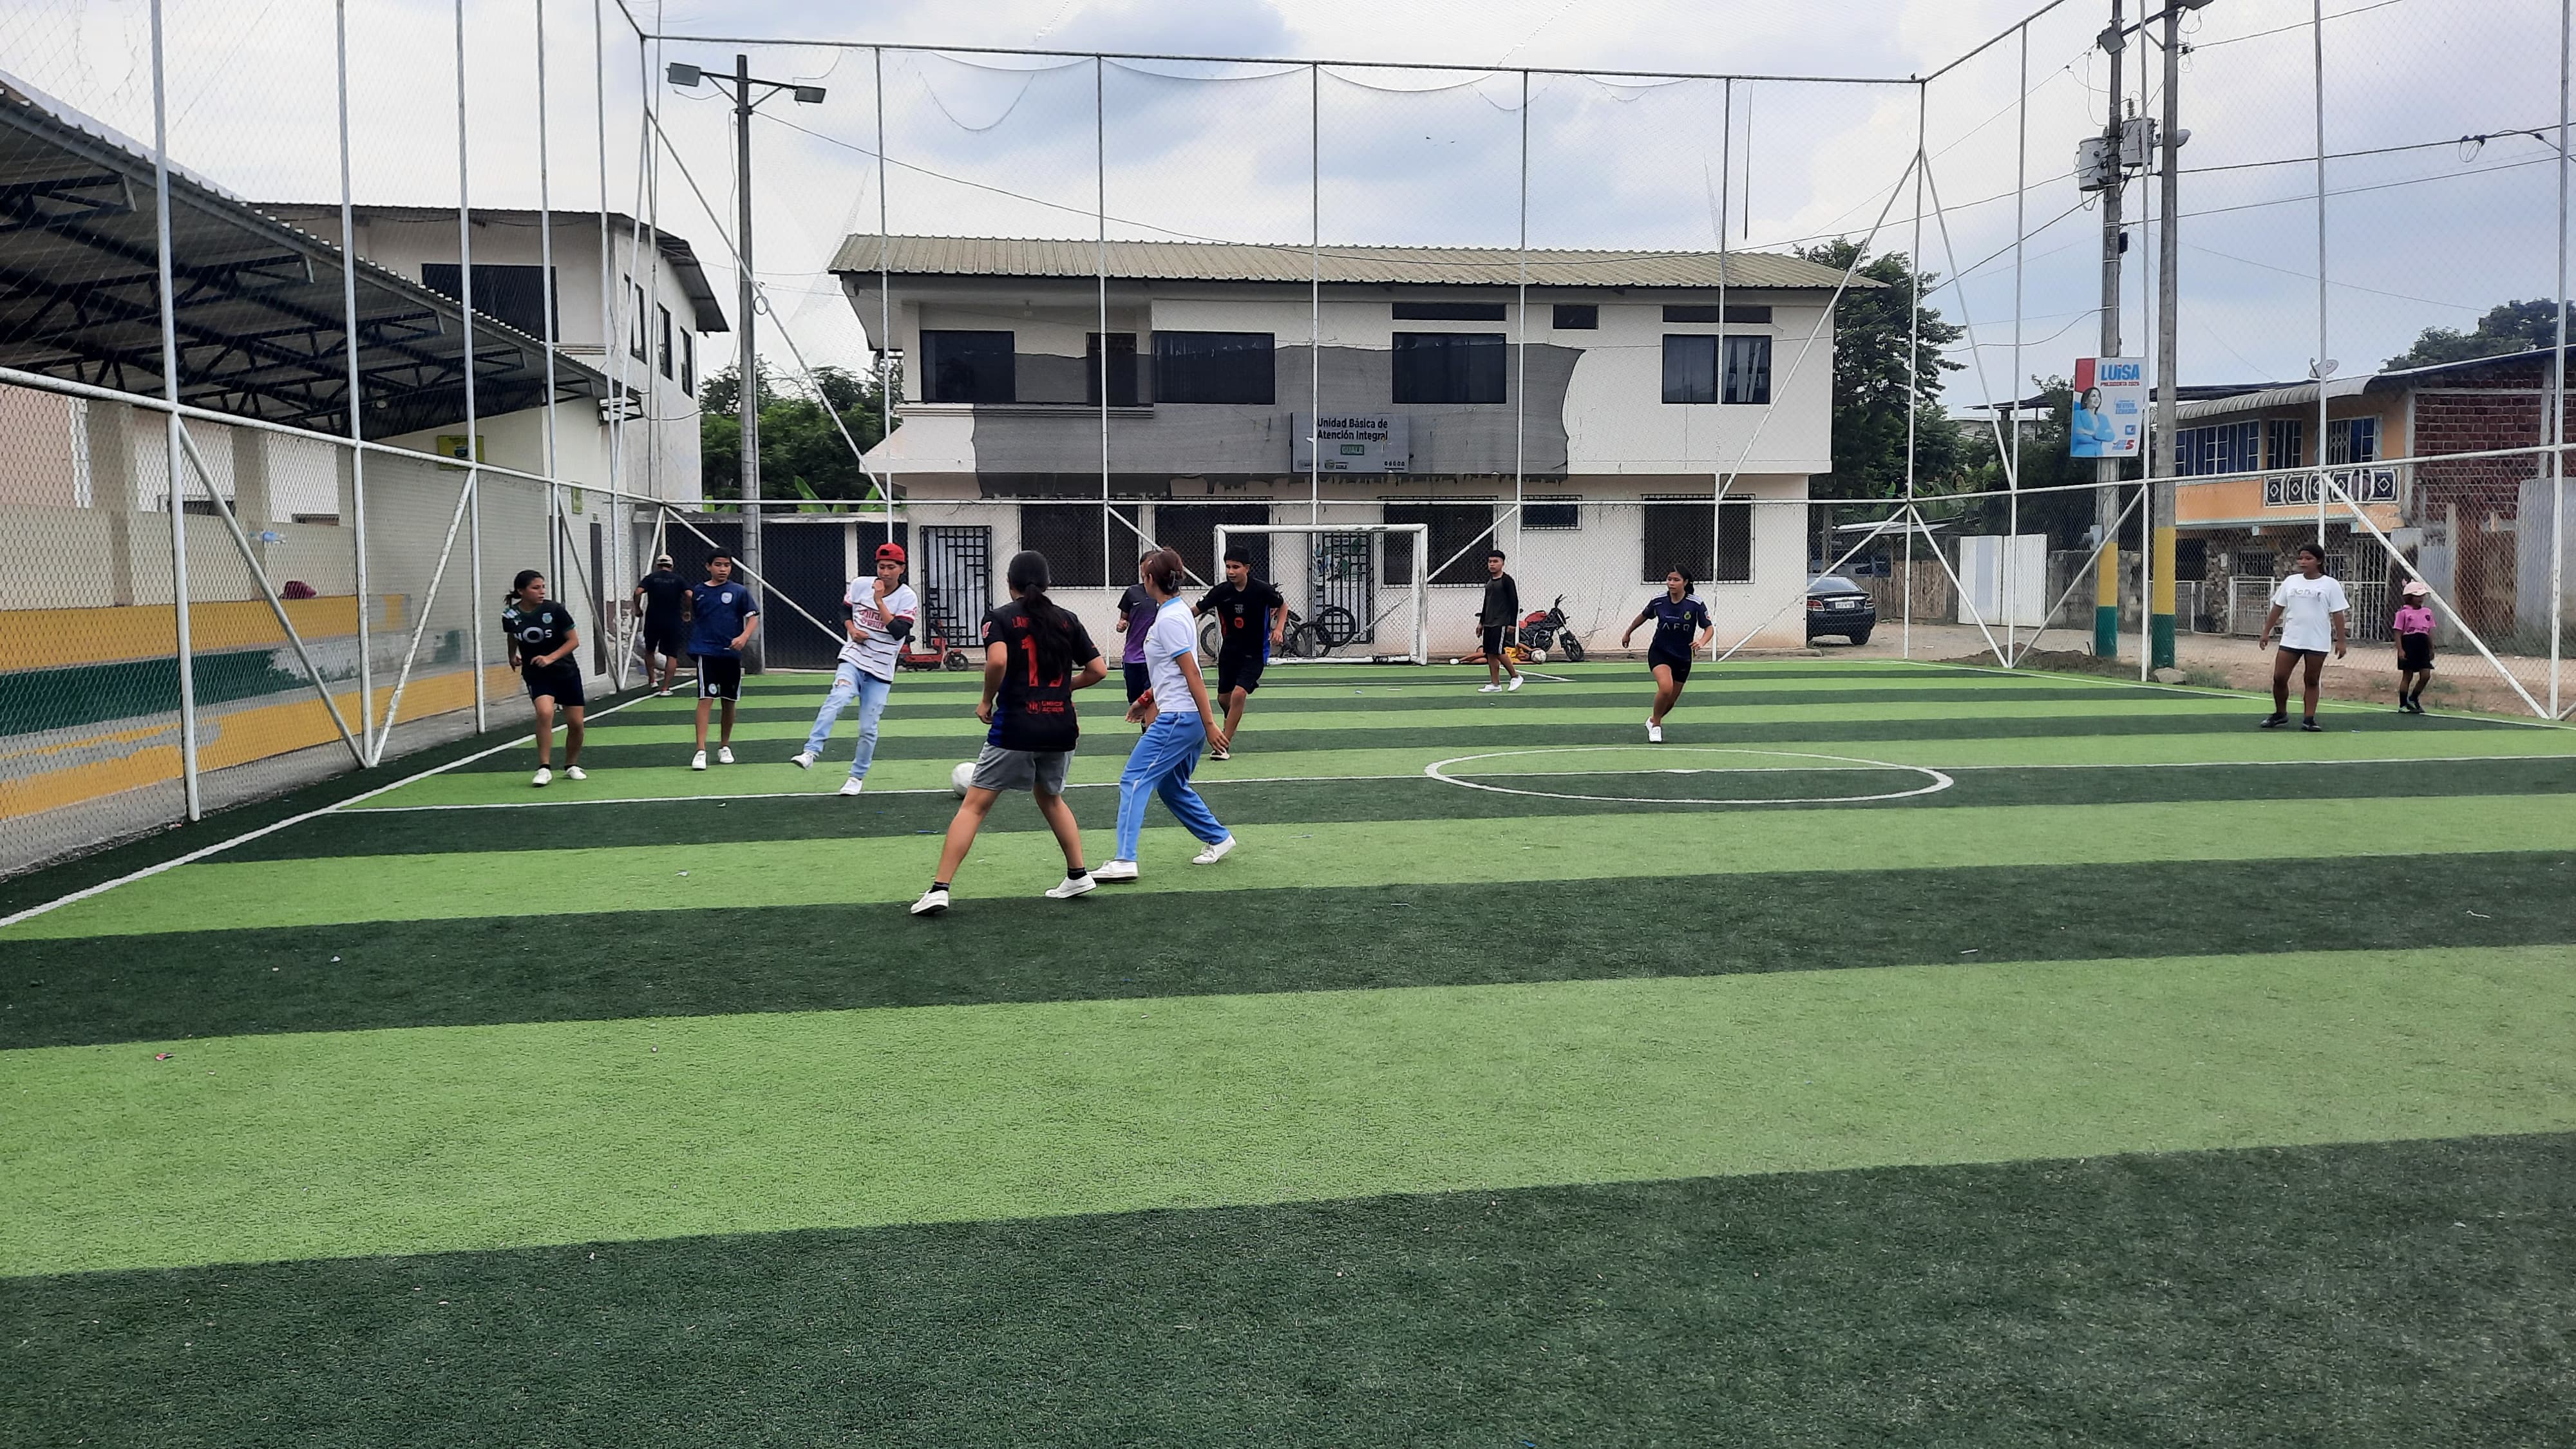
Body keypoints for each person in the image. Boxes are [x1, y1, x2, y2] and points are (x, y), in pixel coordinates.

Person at [913, 551, 1108, 916]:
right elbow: (1099, 670)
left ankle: (939, 888)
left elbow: (999, 660)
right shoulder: (1068, 619)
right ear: (1047, 583)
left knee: (974, 806)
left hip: (1018, 724)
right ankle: (1078, 874)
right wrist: (1061, 690)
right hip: (1061, 725)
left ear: (1009, 582)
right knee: (1051, 798)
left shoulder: (1000, 617)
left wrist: (986, 699)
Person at [1097, 549, 1235, 883]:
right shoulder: (1175, 611)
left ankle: (1124, 860)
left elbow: (1192, 673)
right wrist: (1146, 699)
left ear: (1149, 579)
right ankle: (1218, 838)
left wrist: (1210, 724)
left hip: (1179, 718)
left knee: (1134, 780)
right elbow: (1172, 672)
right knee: (1171, 787)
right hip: (1185, 717)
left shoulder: (1170, 618)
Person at [793, 541, 918, 795]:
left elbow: (899, 632)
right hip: (854, 657)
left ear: (902, 569)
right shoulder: (861, 584)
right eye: (881, 567)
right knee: (838, 697)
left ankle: (856, 777)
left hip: (881, 669)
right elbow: (844, 610)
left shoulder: (907, 597)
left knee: (868, 728)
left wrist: (879, 601)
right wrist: (851, 629)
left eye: (891, 567)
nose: (885, 572)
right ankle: (811, 752)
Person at [1193, 544, 1285, 761]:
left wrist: (1279, 629)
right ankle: (1232, 716)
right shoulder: (1221, 592)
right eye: (1228, 567)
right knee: (1223, 698)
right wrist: (1171, 619)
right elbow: (1195, 611)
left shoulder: (1261, 590)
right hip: (1230, 650)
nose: (1231, 571)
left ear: (1247, 568)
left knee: (1239, 694)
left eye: (1236, 567)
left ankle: (1223, 745)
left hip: (1255, 651)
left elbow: (1283, 605)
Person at [501, 569, 585, 787]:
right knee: (545, 713)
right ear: (521, 591)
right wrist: (512, 655)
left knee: (576, 723)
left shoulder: (555, 610)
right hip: (537, 674)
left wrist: (550, 658)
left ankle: (571, 765)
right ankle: (544, 768)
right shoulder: (510, 615)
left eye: (543, 587)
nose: (542, 591)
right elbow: (513, 636)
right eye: (535, 588)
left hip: (566, 672)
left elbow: (573, 641)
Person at [2258, 542, 2348, 732]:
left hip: (2317, 640)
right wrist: (2266, 631)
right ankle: (2280, 713)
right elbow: (2278, 607)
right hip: (2292, 638)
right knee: (2279, 677)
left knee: (2312, 679)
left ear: (2319, 561)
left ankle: (2309, 719)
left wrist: (2341, 640)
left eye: (2308, 558)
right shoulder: (2291, 581)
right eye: (2300, 558)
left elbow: (2338, 613)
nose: (2303, 562)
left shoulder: (2330, 584)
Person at [1620, 568, 1716, 744]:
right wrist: (1628, 633)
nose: (1671, 583)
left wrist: (1701, 642)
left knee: (1671, 700)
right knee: (1666, 688)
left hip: (1683, 657)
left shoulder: (1695, 603)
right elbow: (1643, 616)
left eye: (1676, 580)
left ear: (1685, 582)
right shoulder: (1659, 600)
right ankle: (1657, 726)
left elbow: (1709, 628)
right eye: (1669, 579)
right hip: (1660, 652)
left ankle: (1652, 720)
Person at [686, 553, 760, 769]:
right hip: (706, 652)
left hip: (730, 654)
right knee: (706, 697)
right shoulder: (699, 591)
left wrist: (744, 637)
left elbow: (753, 617)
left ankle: (724, 746)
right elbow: (695, 614)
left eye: (727, 565)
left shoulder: (739, 591)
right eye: (718, 565)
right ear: (708, 566)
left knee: (729, 700)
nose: (723, 569)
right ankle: (700, 751)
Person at [632, 553, 689, 696]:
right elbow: (689, 594)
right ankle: (666, 688)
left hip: (653, 619)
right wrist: (687, 610)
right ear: (672, 566)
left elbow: (638, 592)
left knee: (650, 650)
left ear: (658, 566)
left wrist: (637, 608)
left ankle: (652, 680)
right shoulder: (678, 579)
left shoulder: (651, 578)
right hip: (672, 620)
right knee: (672, 654)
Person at [1113, 551, 1158, 723]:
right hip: (1133, 657)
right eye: (1144, 566)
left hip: (1154, 657)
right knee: (1136, 701)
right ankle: (1146, 730)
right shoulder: (1132, 592)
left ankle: (1150, 734)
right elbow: (1123, 619)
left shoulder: (1164, 595)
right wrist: (1121, 625)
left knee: (1151, 701)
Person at [1477, 549, 1525, 694]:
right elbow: (1486, 603)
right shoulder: (1490, 582)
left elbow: (1514, 602)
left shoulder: (1507, 581)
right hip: (1489, 622)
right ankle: (1495, 684)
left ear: (1502, 563)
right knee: (1490, 653)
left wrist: (1512, 623)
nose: (1492, 564)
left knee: (1498, 651)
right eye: (1490, 562)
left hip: (1501, 622)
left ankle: (1515, 676)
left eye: (1495, 562)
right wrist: (1481, 623)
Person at [2393, 578, 2437, 714]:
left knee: (2426, 675)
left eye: (2422, 595)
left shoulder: (2427, 612)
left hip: (2422, 645)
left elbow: (2429, 631)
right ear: (2409, 597)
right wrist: (2400, 650)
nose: (2421, 598)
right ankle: (2403, 704)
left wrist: (2431, 648)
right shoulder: (2403, 613)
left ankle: (2413, 698)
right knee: (2408, 675)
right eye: (2417, 596)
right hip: (2409, 645)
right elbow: (2398, 632)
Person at [2070, 385, 2118, 457]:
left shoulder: (2103, 418)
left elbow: (2111, 436)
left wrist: (2091, 433)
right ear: (2086, 400)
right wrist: (2101, 437)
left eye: (2099, 396)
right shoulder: (2078, 414)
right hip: (2082, 454)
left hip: (2099, 454)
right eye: (2093, 396)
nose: (2097, 399)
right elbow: (2079, 437)